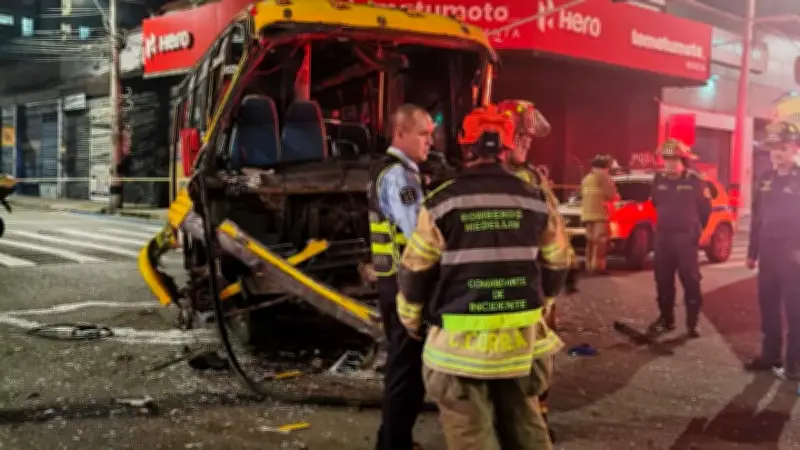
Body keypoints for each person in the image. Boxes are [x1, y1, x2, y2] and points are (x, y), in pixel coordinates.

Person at [395, 105, 570, 450]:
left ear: (466, 146)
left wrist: (412, 320)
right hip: (520, 346)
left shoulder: (442, 201)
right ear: (506, 149)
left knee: (472, 438)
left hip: (457, 350)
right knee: (527, 427)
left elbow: (415, 272)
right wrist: (541, 305)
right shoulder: (536, 200)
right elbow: (558, 263)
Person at [496, 98, 571, 442]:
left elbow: (553, 232)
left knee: (538, 359)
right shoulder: (485, 177)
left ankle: (537, 418)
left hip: (536, 285)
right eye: (520, 136)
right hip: (502, 287)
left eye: (528, 138)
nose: (527, 143)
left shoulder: (534, 179)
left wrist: (554, 283)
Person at [367, 104, 434, 450]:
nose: (429, 141)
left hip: (392, 280)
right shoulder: (400, 177)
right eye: (423, 133)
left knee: (404, 366)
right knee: (405, 369)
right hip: (402, 283)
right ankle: (394, 444)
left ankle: (393, 440)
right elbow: (418, 234)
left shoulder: (392, 172)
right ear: (401, 133)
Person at [744, 121, 800, 380]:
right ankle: (771, 355)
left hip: (794, 255)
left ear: (794, 148)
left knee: (795, 309)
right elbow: (757, 217)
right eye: (773, 148)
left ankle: (795, 362)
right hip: (768, 253)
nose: (777, 153)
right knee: (768, 306)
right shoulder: (764, 179)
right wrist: (752, 252)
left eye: (782, 147)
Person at [647, 139, 711, 338]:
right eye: (666, 160)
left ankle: (692, 323)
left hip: (686, 239)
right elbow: (656, 203)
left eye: (674, 160)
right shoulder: (658, 179)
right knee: (663, 280)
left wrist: (694, 231)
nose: (669, 164)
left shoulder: (694, 180)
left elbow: (705, 210)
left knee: (691, 282)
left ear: (683, 162)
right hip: (664, 238)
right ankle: (666, 319)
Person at [579, 154, 619, 275]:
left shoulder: (587, 178)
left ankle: (589, 265)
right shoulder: (603, 177)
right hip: (600, 214)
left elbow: (581, 194)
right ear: (605, 167)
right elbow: (612, 195)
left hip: (587, 214)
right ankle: (598, 267)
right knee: (600, 242)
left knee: (591, 242)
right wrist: (616, 197)